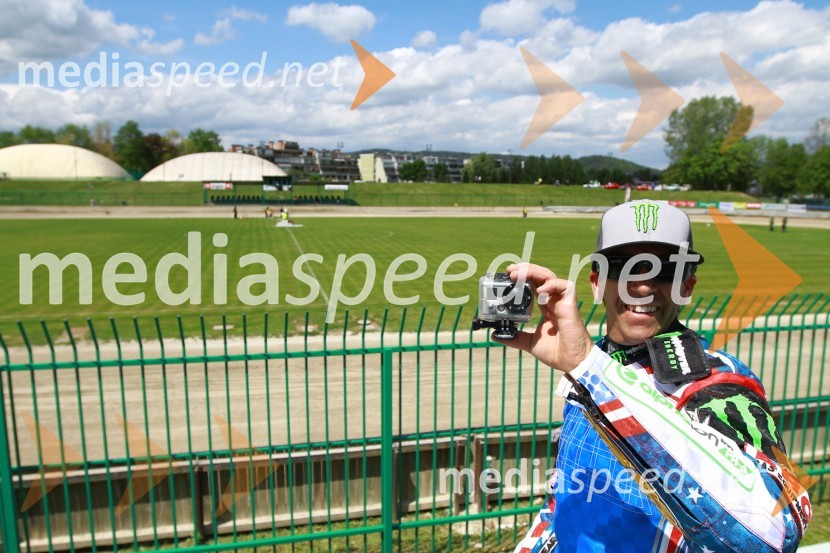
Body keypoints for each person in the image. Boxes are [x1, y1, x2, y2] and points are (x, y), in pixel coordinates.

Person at [503, 200, 810, 552]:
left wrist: (590, 368)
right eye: (624, 268)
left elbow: (772, 535)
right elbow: (564, 498)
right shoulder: (591, 368)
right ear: (596, 282)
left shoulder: (719, 384)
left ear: (687, 285)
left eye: (666, 270)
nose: (644, 287)